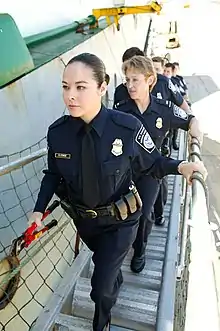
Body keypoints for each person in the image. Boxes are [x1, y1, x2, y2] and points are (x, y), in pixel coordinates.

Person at [28, 53, 207, 331]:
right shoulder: (58, 133)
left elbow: (154, 162)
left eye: (80, 87)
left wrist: (182, 165)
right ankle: (112, 280)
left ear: (102, 87)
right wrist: (38, 210)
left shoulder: (126, 127)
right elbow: (52, 175)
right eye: (65, 87)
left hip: (122, 221)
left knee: (99, 289)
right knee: (106, 271)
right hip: (85, 224)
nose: (70, 96)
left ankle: (102, 323)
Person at [115, 55, 202, 272]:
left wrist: (195, 125)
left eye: (135, 80)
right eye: (127, 80)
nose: (130, 85)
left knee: (144, 214)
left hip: (151, 171)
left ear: (150, 80)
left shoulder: (163, 109)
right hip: (124, 172)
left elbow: (187, 119)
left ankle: (140, 250)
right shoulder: (122, 110)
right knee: (122, 214)